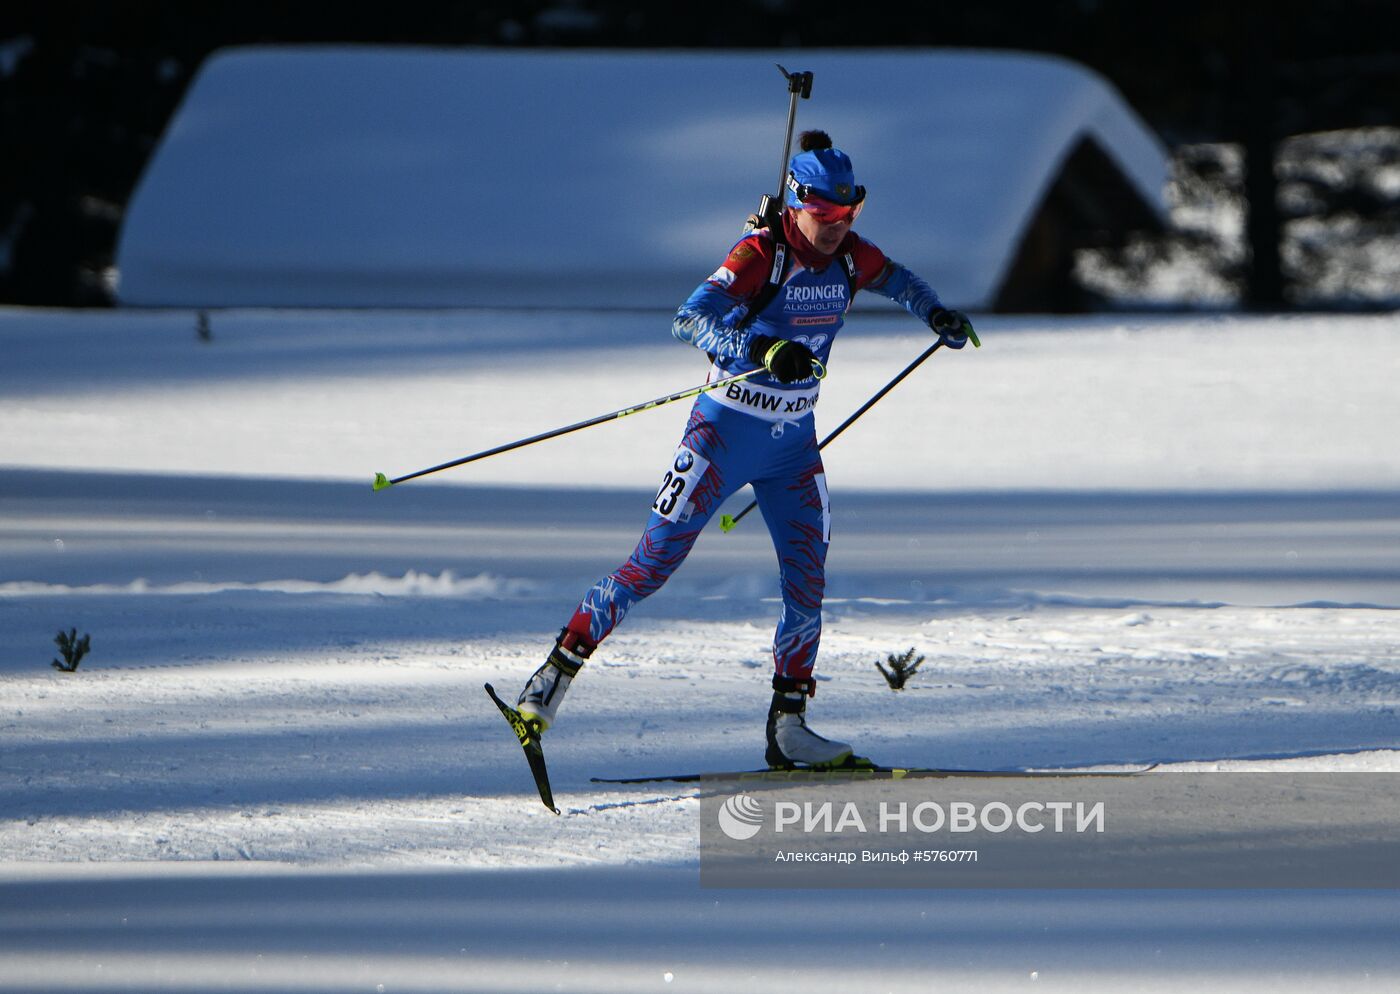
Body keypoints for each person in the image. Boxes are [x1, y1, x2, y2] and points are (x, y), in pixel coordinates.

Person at [514, 130, 974, 769]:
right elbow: (689, 318)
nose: (838, 228)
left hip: (793, 448)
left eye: (850, 214)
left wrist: (936, 313)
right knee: (651, 565)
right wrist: (762, 349)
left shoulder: (849, 258)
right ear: (798, 203)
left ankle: (789, 728)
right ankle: (547, 683)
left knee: (808, 581)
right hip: (723, 435)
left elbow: (897, 279)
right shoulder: (762, 253)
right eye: (825, 215)